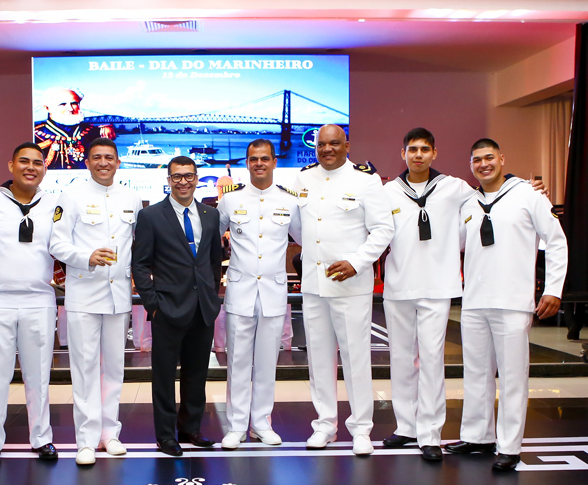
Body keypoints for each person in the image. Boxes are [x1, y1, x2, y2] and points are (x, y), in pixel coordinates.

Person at [446, 139, 567, 472]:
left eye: (489, 158)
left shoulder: (528, 195)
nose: (483, 164)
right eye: (476, 160)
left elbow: (556, 241)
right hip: (474, 301)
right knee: (476, 373)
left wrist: (553, 289)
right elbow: (454, 244)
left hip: (513, 301)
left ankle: (510, 446)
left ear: (502, 158)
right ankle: (477, 437)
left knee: (513, 377)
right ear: (470, 165)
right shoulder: (469, 203)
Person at [295, 124, 394, 455]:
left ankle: (361, 428)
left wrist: (356, 262)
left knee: (356, 358)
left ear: (347, 145)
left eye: (334, 143)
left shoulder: (366, 181)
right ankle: (325, 425)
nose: (327, 149)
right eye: (321, 144)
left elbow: (383, 229)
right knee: (319, 359)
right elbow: (298, 228)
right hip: (314, 284)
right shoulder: (303, 180)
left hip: (350, 283)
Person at [380, 128, 474, 462]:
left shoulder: (455, 187)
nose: (418, 155)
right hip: (399, 286)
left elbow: (486, 205)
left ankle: (430, 433)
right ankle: (406, 426)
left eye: (424, 149)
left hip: (437, 286)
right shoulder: (388, 191)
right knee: (401, 359)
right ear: (402, 153)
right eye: (412, 149)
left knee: (432, 360)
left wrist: (528, 189)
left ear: (434, 153)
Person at [48, 139, 141, 465]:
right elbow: (56, 243)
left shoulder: (130, 197)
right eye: (97, 157)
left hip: (118, 296)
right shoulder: (70, 196)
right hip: (84, 294)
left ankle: (109, 434)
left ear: (118, 162)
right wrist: (86, 256)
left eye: (109, 157)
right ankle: (86, 441)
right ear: (87, 162)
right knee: (85, 369)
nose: (104, 162)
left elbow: (137, 243)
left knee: (114, 368)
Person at [0, 142, 60, 464]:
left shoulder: (55, 204)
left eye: (37, 163)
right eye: (24, 161)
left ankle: (42, 438)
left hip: (40, 299)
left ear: (44, 169)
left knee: (39, 376)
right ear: (11, 166)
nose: (30, 167)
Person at [132, 156, 223, 457]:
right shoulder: (151, 216)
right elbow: (140, 264)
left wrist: (211, 295)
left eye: (189, 176)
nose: (183, 182)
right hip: (167, 308)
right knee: (163, 376)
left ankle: (190, 429)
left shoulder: (210, 215)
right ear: (168, 180)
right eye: (177, 177)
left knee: (197, 374)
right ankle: (165, 436)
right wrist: (152, 303)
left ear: (196, 178)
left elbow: (213, 261)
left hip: (202, 308)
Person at [217, 139, 301, 448]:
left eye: (265, 158)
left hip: (273, 292)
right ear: (247, 163)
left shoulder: (289, 202)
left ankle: (262, 423)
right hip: (240, 291)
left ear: (275, 162)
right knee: (237, 362)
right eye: (253, 159)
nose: (259, 164)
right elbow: (213, 237)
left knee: (267, 363)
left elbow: (306, 238)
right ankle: (237, 425)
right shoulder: (230, 200)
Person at [33, 88, 116, 169]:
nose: (70, 109)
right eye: (62, 104)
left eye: (74, 103)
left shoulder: (95, 132)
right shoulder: (36, 133)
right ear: (47, 108)